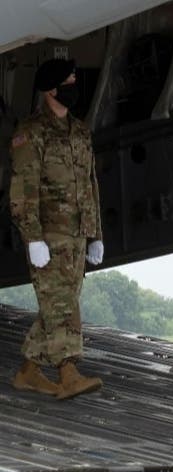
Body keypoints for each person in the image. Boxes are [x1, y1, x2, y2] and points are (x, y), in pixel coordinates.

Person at [9, 58, 105, 400]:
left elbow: (91, 184)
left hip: (77, 235)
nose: (74, 87)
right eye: (68, 82)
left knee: (59, 303)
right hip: (48, 237)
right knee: (63, 305)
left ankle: (28, 372)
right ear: (51, 89)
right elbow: (23, 190)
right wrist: (33, 238)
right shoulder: (31, 133)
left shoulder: (80, 131)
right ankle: (68, 372)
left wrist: (96, 235)